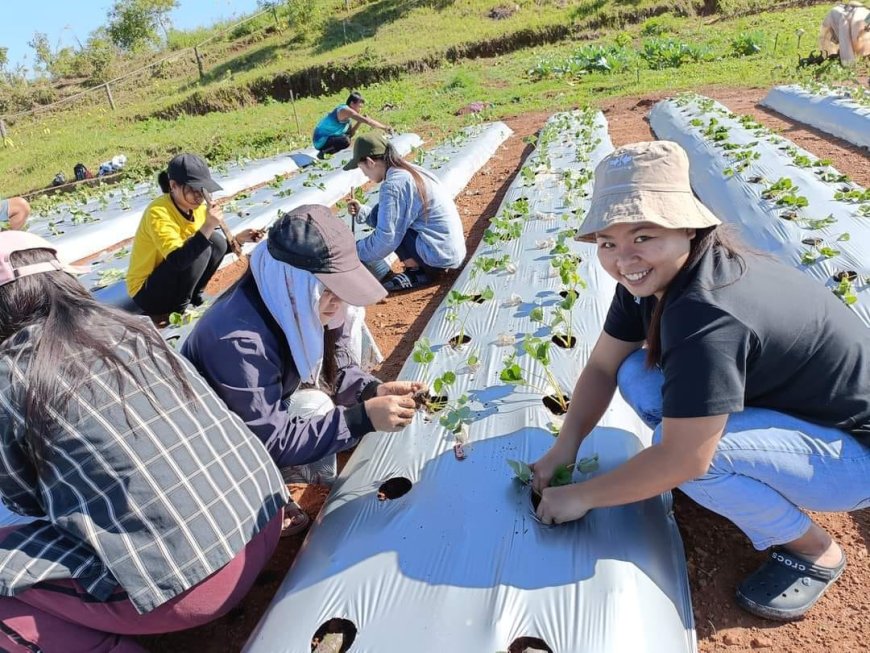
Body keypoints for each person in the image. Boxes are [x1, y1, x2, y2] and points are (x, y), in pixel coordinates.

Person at [531, 141, 870, 621]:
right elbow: (605, 366)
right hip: (800, 411)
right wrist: (565, 446)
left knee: (691, 457)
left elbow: (687, 458)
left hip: (855, 453)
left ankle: (814, 550)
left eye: (643, 236)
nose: (623, 258)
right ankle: (729, 469)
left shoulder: (709, 313)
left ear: (687, 227)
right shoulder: (651, 278)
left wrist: (581, 496)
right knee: (635, 372)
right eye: (608, 242)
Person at [0, 231, 288, 652]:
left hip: (196, 585)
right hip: (263, 523)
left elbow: (25, 502)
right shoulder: (132, 325)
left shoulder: (12, 377)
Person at [181, 205, 422, 535]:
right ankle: (264, 498)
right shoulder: (238, 341)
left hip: (261, 416)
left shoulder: (293, 302)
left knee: (321, 404)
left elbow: (334, 366)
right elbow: (268, 438)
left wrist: (372, 390)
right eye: (330, 290)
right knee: (315, 408)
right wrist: (361, 418)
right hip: (217, 452)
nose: (339, 301)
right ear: (295, 282)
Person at [126, 153, 262, 319]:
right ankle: (180, 309)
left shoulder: (195, 208)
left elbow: (208, 248)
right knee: (202, 245)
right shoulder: (158, 212)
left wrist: (238, 240)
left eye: (201, 190)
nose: (199, 196)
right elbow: (178, 259)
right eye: (192, 189)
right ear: (173, 186)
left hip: (173, 277)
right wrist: (208, 225)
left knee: (215, 241)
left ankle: (196, 296)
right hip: (149, 293)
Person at [345, 133, 466, 292]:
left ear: (370, 162)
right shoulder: (406, 171)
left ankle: (418, 272)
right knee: (390, 216)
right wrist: (362, 211)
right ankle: (421, 267)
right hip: (448, 249)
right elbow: (384, 213)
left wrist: (353, 251)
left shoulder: (395, 184)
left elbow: (385, 240)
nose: (365, 176)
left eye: (363, 170)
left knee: (393, 229)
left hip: (437, 254)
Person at [312, 91, 392, 158]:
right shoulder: (345, 110)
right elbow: (368, 121)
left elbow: (350, 134)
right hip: (320, 141)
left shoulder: (348, 119)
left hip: (328, 139)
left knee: (346, 138)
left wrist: (359, 122)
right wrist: (385, 128)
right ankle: (324, 153)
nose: (360, 110)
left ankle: (329, 151)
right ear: (352, 104)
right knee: (345, 140)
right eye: (359, 107)